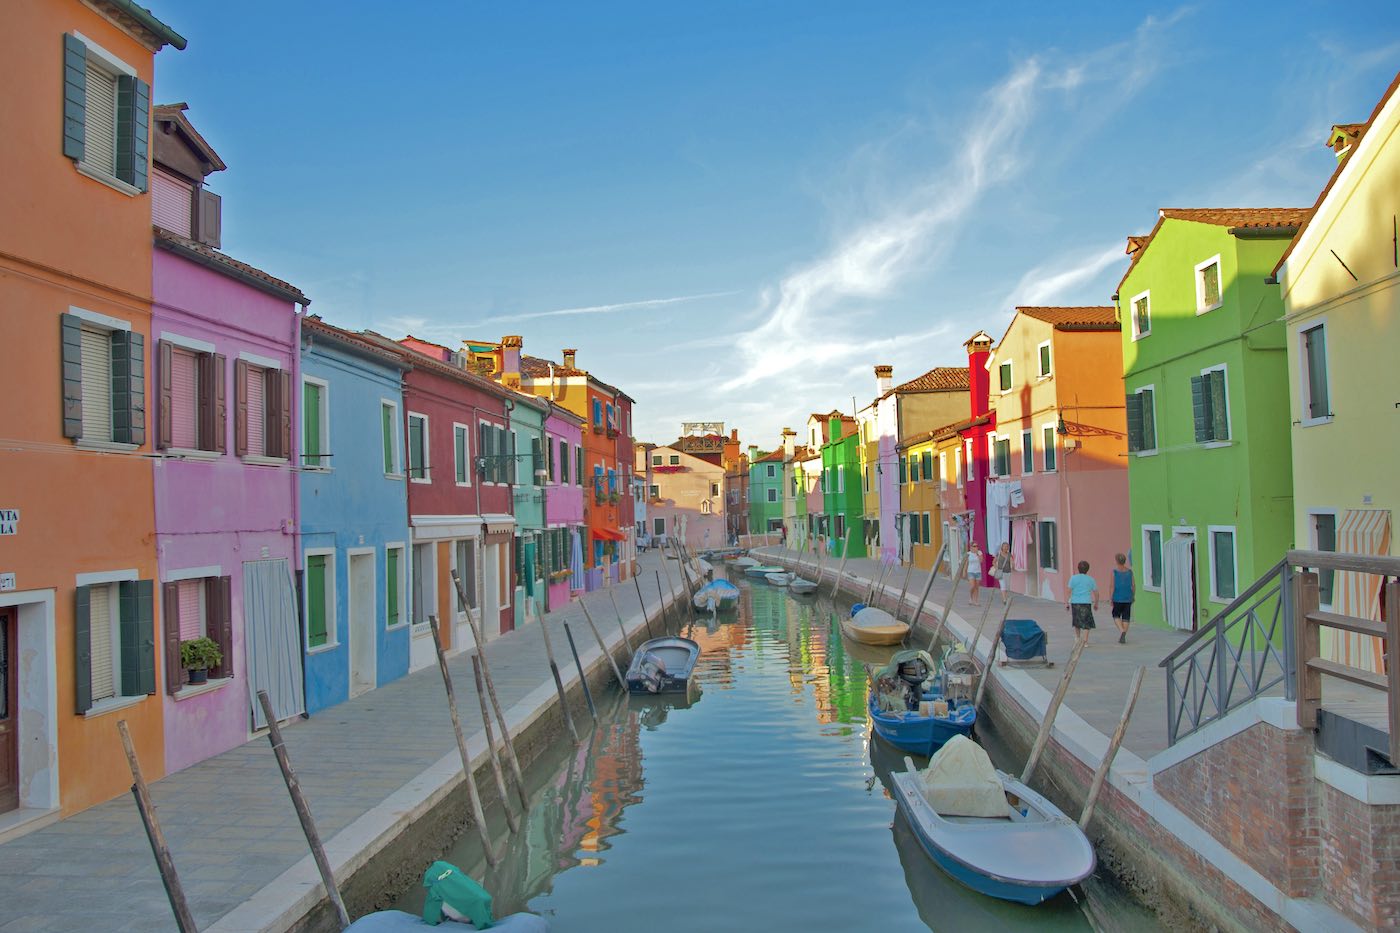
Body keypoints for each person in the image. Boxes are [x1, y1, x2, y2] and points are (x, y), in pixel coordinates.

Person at [1066, 559, 1098, 646]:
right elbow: (1096, 592)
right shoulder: (1091, 579)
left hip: (1075, 602)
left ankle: (1077, 638)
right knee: (1087, 622)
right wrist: (1096, 603)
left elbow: (1069, 591)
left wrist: (1067, 603)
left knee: (1077, 621)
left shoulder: (1073, 578)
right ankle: (1085, 641)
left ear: (1078, 568)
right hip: (1086, 602)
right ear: (1088, 569)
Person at [1111, 553, 1135, 644]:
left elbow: (1112, 586)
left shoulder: (1114, 572)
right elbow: (1133, 585)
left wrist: (1111, 597)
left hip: (1117, 597)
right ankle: (1124, 632)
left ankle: (1122, 631)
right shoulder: (1130, 572)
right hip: (1128, 597)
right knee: (1126, 616)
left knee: (1115, 614)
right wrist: (1133, 595)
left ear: (1117, 561)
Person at [966, 542, 984, 606]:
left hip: (978, 571)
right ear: (971, 547)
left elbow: (981, 561)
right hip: (970, 571)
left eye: (976, 546)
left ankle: (976, 601)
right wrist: (964, 571)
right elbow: (966, 563)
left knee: (977, 587)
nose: (976, 547)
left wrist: (977, 554)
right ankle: (971, 597)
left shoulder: (979, 553)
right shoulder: (968, 554)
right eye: (974, 546)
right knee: (972, 586)